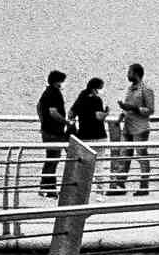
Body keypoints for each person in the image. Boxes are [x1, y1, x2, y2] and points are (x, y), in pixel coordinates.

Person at [116, 62, 154, 195]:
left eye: (129, 72)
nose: (127, 75)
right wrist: (121, 115)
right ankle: (120, 185)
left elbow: (150, 110)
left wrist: (134, 108)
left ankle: (144, 186)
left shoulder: (146, 89)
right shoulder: (129, 89)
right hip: (127, 127)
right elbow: (128, 106)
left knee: (141, 156)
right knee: (124, 155)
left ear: (136, 74)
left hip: (140, 128)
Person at [36, 70, 69, 198]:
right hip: (54, 132)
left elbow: (38, 107)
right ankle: (49, 189)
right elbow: (53, 112)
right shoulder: (54, 93)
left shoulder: (46, 92)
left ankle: (45, 186)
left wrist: (42, 122)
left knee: (51, 159)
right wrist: (66, 122)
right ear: (57, 81)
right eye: (62, 81)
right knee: (53, 159)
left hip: (47, 130)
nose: (63, 84)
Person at [69, 77, 109, 142]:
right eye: (101, 88)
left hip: (83, 135)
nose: (101, 91)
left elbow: (71, 114)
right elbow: (99, 116)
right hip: (97, 135)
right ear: (94, 89)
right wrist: (107, 112)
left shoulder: (81, 97)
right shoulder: (97, 100)